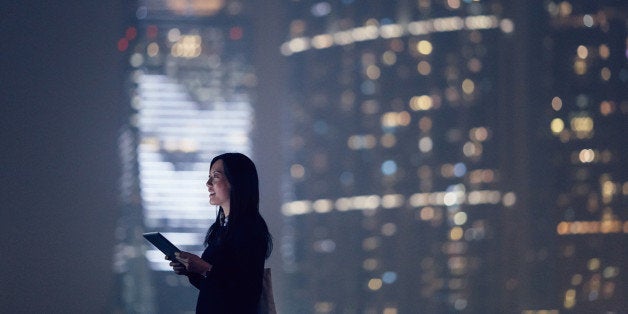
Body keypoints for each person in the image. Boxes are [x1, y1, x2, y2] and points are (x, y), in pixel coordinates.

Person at [167, 152, 273, 313]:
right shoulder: (221, 228)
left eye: (215, 176)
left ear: (236, 181)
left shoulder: (250, 229)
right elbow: (216, 287)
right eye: (209, 176)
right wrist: (191, 271)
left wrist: (204, 268)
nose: (208, 183)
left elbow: (246, 291)